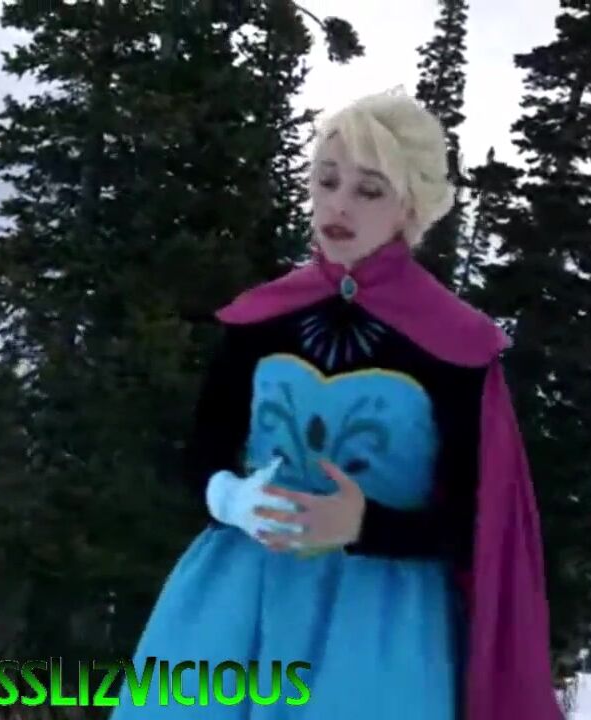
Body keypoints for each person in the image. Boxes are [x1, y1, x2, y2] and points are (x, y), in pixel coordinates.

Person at [111, 89, 561, 720]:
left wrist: (363, 526)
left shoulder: (453, 346)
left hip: (378, 623)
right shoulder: (262, 318)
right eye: (327, 181)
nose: (338, 205)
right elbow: (202, 451)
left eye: (368, 190)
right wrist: (228, 498)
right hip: (236, 598)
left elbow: (477, 523)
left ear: (410, 206)